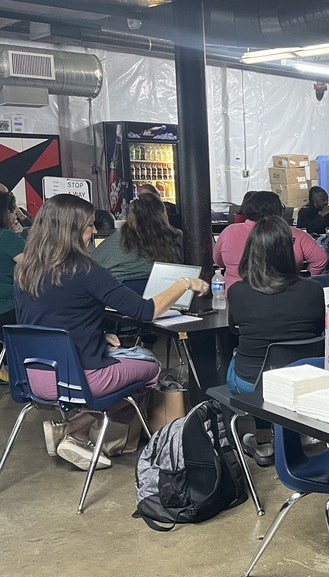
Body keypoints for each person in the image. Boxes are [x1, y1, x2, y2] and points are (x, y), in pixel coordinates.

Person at [13, 194, 207, 470]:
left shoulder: (24, 273)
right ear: (72, 230)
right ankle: (77, 430)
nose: (94, 231)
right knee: (151, 367)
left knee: (130, 360)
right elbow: (145, 311)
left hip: (33, 379)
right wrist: (185, 283)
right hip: (78, 379)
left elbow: (39, 324)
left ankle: (71, 431)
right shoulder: (86, 270)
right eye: (89, 225)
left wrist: (93, 334)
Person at [226, 216, 326, 395]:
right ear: (287, 249)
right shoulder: (314, 289)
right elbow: (318, 330)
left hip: (252, 382)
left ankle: (223, 416)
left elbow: (234, 329)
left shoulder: (237, 291)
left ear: (251, 250)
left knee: (230, 359)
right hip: (303, 379)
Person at [214, 191, 328, 289]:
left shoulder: (229, 231)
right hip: (284, 296)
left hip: (233, 300)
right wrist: (301, 279)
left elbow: (218, 261)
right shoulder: (295, 234)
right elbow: (320, 259)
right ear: (279, 211)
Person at [91, 192, 183, 293]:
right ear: (163, 214)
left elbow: (88, 268)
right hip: (163, 296)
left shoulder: (116, 240)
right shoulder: (176, 238)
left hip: (118, 298)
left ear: (130, 216)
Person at [0, 193, 25, 328]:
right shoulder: (7, 237)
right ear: (7, 213)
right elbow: (35, 268)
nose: (15, 218)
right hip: (8, 308)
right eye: (14, 213)